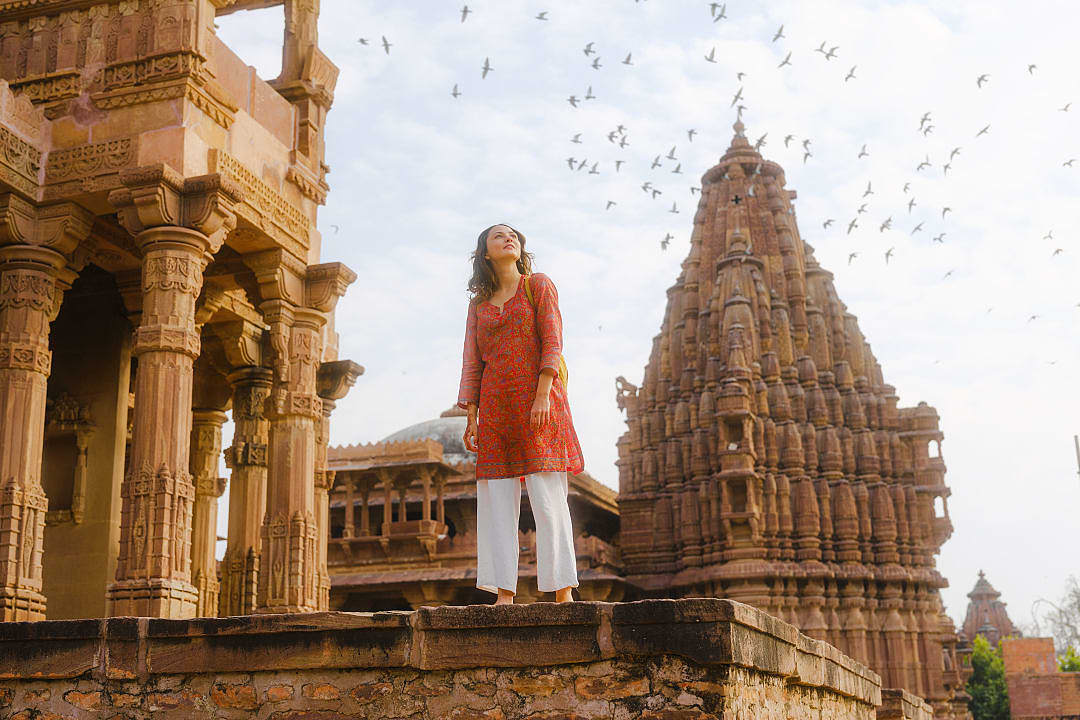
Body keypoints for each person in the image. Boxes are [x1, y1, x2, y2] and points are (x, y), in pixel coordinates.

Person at [456, 223, 584, 605]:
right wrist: (472, 417)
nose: (509, 238)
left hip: (538, 404)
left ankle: (563, 590)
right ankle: (504, 593)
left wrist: (542, 395)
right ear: (485, 252)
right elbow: (472, 362)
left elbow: (552, 341)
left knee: (547, 496)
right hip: (496, 407)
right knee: (497, 501)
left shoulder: (537, 285)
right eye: (498, 236)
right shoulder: (478, 306)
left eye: (513, 235)